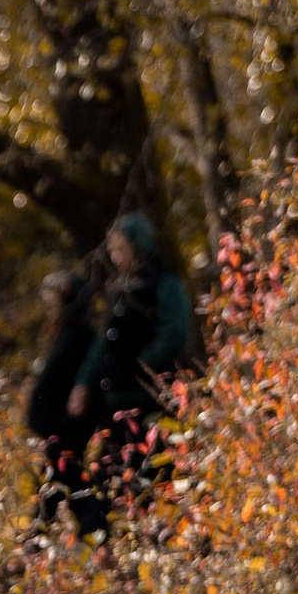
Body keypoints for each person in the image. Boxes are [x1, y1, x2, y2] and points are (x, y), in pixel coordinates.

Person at [67, 213, 193, 518]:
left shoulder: (164, 285)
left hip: (151, 404)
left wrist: (138, 367)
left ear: (138, 247)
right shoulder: (121, 290)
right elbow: (103, 344)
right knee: (113, 482)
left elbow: (173, 334)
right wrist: (83, 383)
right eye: (112, 249)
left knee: (155, 479)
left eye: (120, 248)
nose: (114, 255)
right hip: (115, 406)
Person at [25, 270, 102, 539]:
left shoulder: (81, 335)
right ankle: (38, 543)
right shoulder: (64, 333)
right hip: (55, 427)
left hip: (66, 427)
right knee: (54, 483)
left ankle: (95, 535)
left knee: (63, 482)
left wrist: (59, 423)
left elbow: (68, 385)